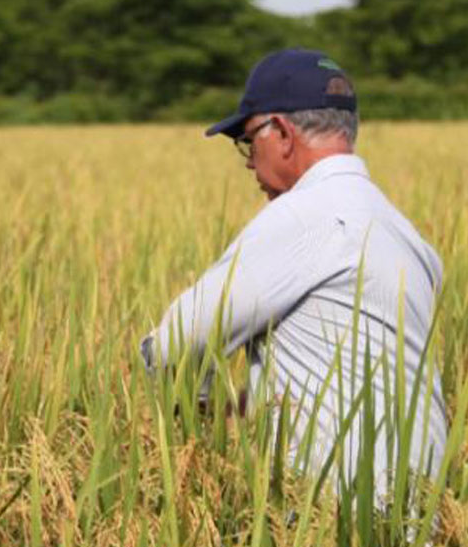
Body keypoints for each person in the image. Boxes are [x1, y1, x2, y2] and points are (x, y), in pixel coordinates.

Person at [141, 49, 447, 504]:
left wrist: (204, 409)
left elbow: (173, 347)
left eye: (247, 140)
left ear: (280, 133)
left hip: (328, 532)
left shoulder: (304, 217)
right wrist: (252, 405)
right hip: (417, 517)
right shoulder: (408, 235)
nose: (248, 162)